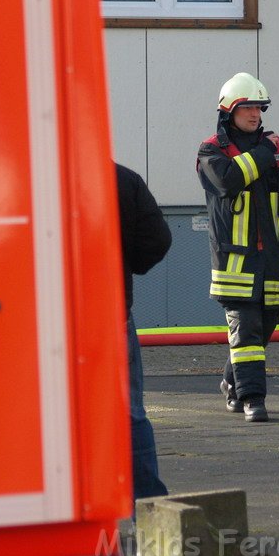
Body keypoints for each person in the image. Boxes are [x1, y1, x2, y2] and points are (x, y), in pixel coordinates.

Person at [196, 72, 279, 422]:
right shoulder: (211, 151)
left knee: (259, 336)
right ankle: (252, 400)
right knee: (245, 331)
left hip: (274, 262)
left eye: (260, 107)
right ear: (229, 110)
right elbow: (229, 181)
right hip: (235, 263)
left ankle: (232, 383)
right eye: (248, 108)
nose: (256, 114)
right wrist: (263, 151)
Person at [115, 162, 171, 500]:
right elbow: (157, 240)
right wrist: (129, 263)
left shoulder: (22, 176)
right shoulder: (122, 179)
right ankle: (149, 509)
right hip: (108, 312)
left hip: (39, 317)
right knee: (129, 413)